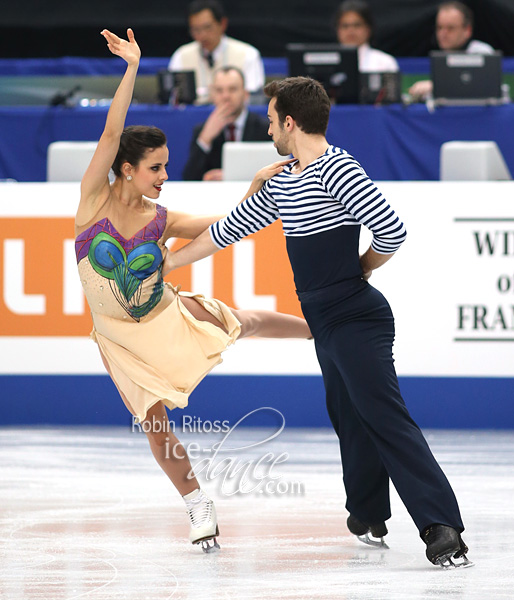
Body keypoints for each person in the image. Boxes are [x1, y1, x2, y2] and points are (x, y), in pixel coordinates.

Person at [164, 75, 472, 568]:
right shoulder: (284, 180)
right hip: (325, 321)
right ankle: (368, 512)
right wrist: (170, 264)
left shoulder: (337, 169)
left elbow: (392, 231)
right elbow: (228, 229)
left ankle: (442, 527)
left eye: (269, 121)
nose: (267, 131)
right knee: (349, 416)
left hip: (355, 315)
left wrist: (362, 268)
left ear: (290, 121)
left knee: (383, 416)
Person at [75, 29, 311, 552]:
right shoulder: (92, 202)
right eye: (155, 168)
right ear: (127, 169)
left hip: (167, 317)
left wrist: (253, 192)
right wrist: (132, 68)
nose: (164, 175)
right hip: (120, 339)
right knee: (154, 421)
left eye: (165, 166)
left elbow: (225, 223)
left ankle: (320, 331)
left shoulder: (162, 219)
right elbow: (112, 132)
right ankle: (197, 505)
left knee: (242, 322)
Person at [168, 0, 265, 104]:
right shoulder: (181, 55)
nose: (202, 35)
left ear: (222, 24)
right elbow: (172, 101)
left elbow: (255, 100)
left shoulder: (248, 54)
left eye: (207, 27)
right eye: (196, 30)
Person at [182, 66, 269, 181]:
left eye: (232, 89)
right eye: (219, 90)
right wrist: (205, 139)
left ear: (245, 94)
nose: (226, 96)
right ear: (212, 96)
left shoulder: (266, 128)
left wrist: (231, 176)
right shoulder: (202, 131)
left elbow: (279, 173)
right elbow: (189, 178)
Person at [409, 1, 494, 100]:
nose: (443, 34)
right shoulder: (440, 60)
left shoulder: (482, 52)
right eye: (439, 27)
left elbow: (473, 86)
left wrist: (435, 86)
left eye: (450, 28)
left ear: (467, 30)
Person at [335, 0, 399, 73]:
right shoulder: (327, 59)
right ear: (337, 29)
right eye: (345, 26)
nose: (350, 31)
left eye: (357, 25)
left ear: (368, 29)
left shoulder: (385, 63)